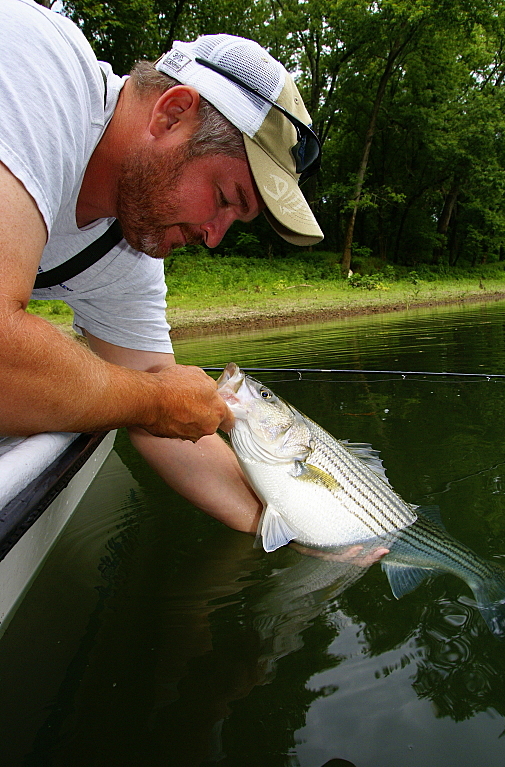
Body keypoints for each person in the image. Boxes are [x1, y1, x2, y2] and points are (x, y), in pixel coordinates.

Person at [1, 1, 387, 566]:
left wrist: (291, 523)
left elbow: (170, 420)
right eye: (226, 199)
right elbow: (153, 399)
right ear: (172, 114)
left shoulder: (126, 252)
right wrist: (151, 399)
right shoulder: (35, 62)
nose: (212, 236)